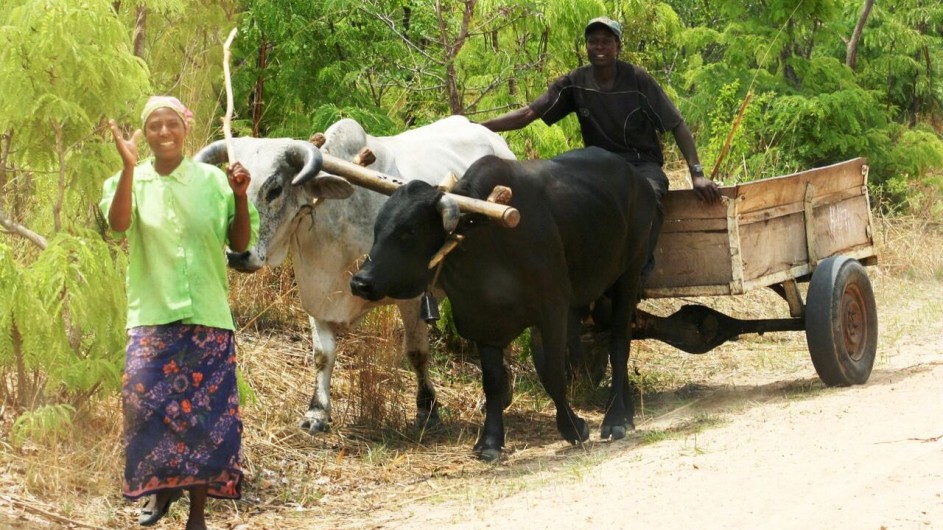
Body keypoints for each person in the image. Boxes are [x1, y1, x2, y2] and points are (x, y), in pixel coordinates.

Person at [100, 96, 259, 529]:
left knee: (205, 421)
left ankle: (198, 514)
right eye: (155, 126)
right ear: (145, 133)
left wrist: (241, 196)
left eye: (172, 124)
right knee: (143, 406)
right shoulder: (128, 180)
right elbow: (117, 226)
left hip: (207, 317)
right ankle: (159, 492)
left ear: (186, 129)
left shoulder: (213, 181)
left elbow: (241, 244)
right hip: (151, 315)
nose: (164, 132)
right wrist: (130, 168)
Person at [481, 16, 722, 280]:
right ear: (586, 46)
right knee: (563, 197)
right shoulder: (575, 82)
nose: (599, 47)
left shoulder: (638, 80)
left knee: (648, 198)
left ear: (618, 46)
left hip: (640, 163)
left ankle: (636, 274)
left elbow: (677, 125)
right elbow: (529, 113)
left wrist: (696, 174)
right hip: (598, 165)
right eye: (593, 41)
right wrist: (478, 126)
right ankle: (574, 271)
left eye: (606, 42)